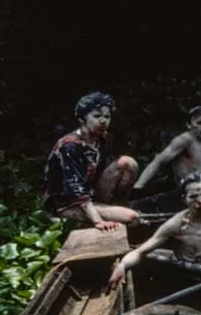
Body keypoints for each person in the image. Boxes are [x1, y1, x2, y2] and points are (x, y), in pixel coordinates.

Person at [43, 92, 139, 230]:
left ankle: (118, 207)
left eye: (107, 116)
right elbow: (76, 191)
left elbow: (103, 172)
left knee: (127, 163)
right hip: (68, 203)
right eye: (96, 116)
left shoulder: (102, 139)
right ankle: (108, 216)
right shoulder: (69, 146)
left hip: (91, 195)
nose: (103, 121)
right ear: (82, 119)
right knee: (133, 219)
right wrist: (98, 221)